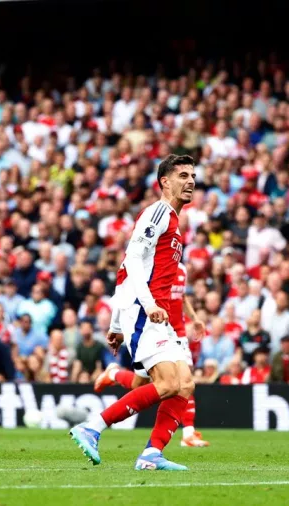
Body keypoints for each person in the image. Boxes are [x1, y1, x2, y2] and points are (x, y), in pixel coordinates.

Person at [69, 154, 196, 471]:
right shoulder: (158, 212)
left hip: (153, 312)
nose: (190, 181)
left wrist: (116, 323)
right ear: (165, 181)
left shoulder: (175, 222)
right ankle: (92, 427)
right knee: (167, 384)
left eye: (192, 175)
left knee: (184, 383)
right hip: (146, 308)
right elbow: (132, 260)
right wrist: (147, 305)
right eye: (182, 175)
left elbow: (124, 272)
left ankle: (152, 452)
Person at [94, 262, 210, 448]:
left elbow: (182, 297)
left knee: (185, 381)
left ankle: (187, 432)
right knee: (138, 384)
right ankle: (113, 374)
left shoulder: (182, 269)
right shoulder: (152, 266)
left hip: (177, 333)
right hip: (154, 332)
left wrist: (194, 318)